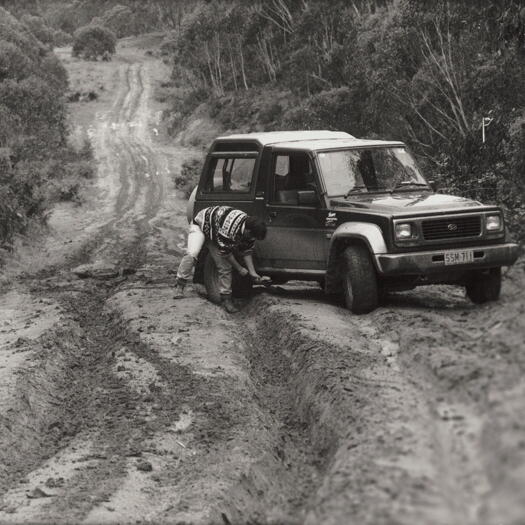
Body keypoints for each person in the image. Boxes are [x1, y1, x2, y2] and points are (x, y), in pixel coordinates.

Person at [174, 205, 268, 313]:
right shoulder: (230, 228)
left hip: (215, 231)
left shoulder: (250, 230)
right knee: (192, 254)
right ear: (247, 231)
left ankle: (226, 300)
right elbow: (226, 254)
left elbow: (247, 251)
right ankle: (179, 286)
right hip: (200, 225)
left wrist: (253, 273)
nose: (253, 239)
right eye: (253, 237)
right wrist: (240, 269)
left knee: (224, 267)